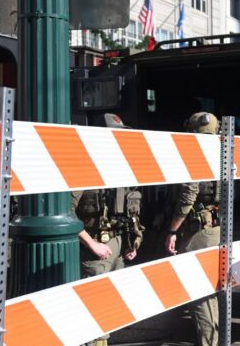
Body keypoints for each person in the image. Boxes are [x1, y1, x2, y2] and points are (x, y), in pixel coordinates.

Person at [73, 114, 145, 346]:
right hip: (94, 249)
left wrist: (133, 242)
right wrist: (91, 244)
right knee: (94, 315)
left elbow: (131, 214)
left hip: (118, 248)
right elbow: (65, 213)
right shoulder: (83, 169)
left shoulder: (122, 171)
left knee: (110, 311)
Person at [164, 112, 220, 346]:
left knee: (199, 293)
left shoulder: (196, 154)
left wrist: (172, 230)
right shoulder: (222, 151)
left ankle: (208, 343)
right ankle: (214, 340)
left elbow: (188, 196)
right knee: (210, 291)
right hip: (215, 227)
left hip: (198, 231)